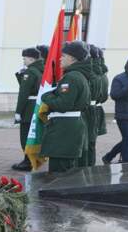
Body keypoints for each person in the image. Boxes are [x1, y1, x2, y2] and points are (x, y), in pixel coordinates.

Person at [39, 41, 91, 173]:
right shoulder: (78, 75)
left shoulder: (72, 77)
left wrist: (46, 96)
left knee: (59, 173)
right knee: (66, 172)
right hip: (69, 128)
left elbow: (63, 105)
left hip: (64, 130)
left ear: (73, 58)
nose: (60, 58)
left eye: (64, 55)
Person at [12, 48, 44, 171]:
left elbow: (24, 93)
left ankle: (27, 161)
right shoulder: (40, 70)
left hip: (29, 108)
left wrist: (18, 111)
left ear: (31, 59)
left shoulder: (30, 72)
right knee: (33, 135)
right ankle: (32, 159)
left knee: (25, 136)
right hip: (36, 105)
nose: (24, 61)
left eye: (25, 58)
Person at [105, 55, 128, 164]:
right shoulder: (119, 78)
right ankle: (127, 164)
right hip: (124, 116)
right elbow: (114, 95)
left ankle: (108, 157)